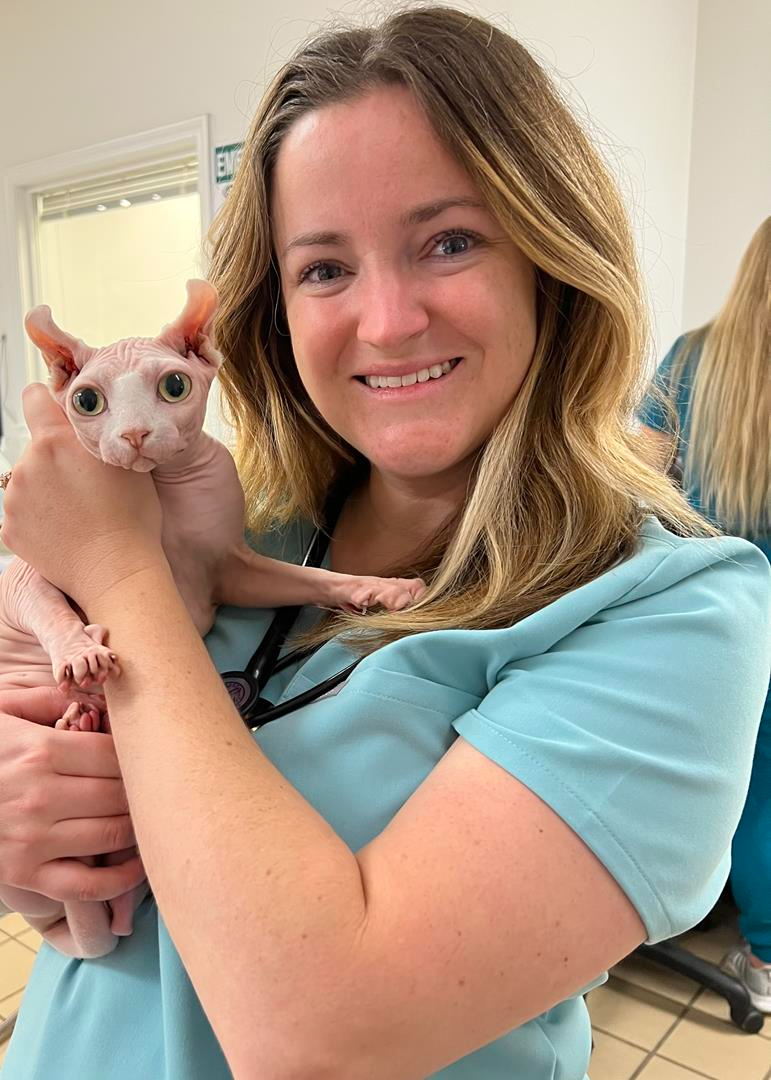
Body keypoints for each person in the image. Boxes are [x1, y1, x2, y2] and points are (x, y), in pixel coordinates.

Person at [0, 8, 769, 1078]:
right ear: (271, 310)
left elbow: (319, 1035)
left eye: (448, 242)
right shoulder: (240, 517)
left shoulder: (672, 610)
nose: (389, 319)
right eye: (324, 269)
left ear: (551, 260)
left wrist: (117, 567)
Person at [639, 217, 771, 1012]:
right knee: (764, 786)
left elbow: (637, 479)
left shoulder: (691, 358)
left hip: (702, 615)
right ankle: (762, 955)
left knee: (693, 764)